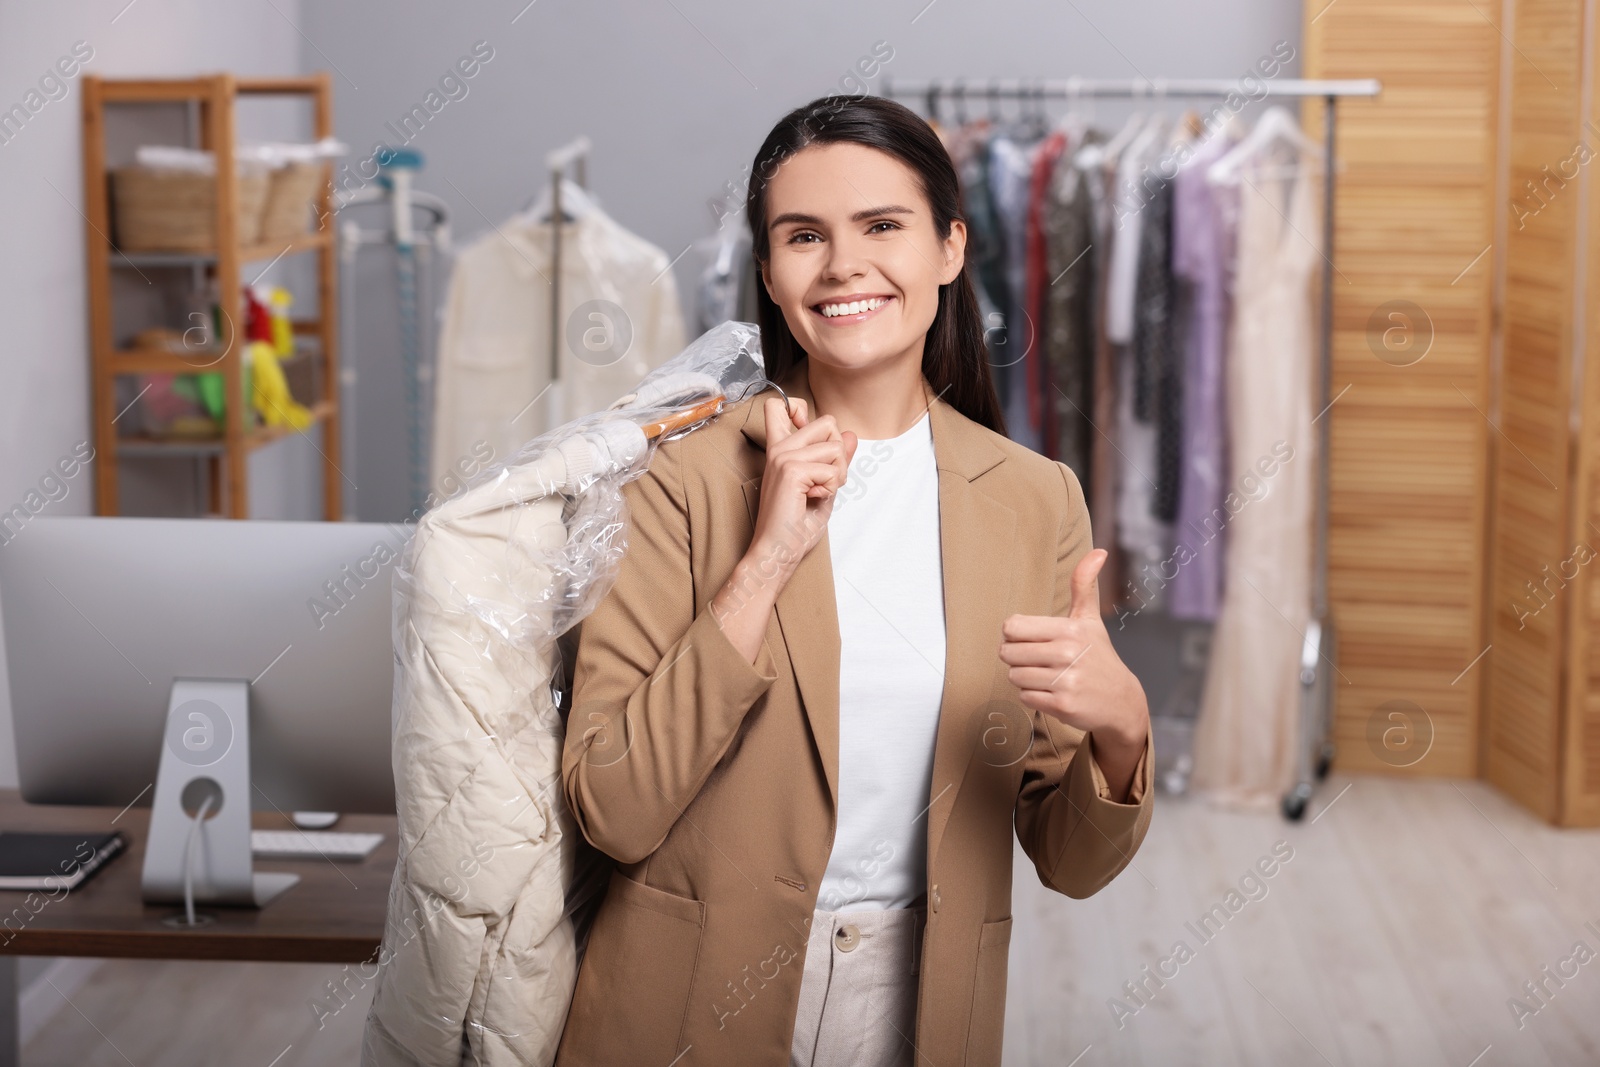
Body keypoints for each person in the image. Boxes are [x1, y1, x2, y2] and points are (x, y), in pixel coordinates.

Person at [555, 94, 1154, 1067]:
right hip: (685, 1006)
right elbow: (615, 809)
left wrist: (1121, 729)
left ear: (950, 248)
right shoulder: (676, 481)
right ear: (766, 271)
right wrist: (765, 562)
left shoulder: (1037, 498)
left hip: (922, 1006)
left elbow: (1071, 859)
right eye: (803, 235)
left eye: (882, 225)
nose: (842, 265)